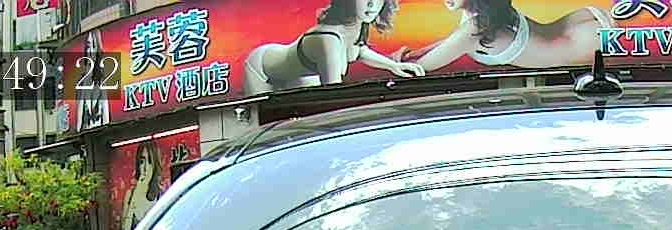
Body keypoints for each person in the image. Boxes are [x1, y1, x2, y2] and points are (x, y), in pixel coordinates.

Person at [243, 0, 425, 93]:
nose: (371, 5)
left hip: (299, 75)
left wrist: (393, 66)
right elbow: (332, 92)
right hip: (262, 70)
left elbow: (358, 50)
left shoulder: (357, 26)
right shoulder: (328, 39)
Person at [409, 0, 611, 71]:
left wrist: (400, 62)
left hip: (585, 42)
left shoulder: (475, 28)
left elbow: (416, 69)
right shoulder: (490, 14)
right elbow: (453, 41)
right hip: (580, 24)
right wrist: (415, 53)